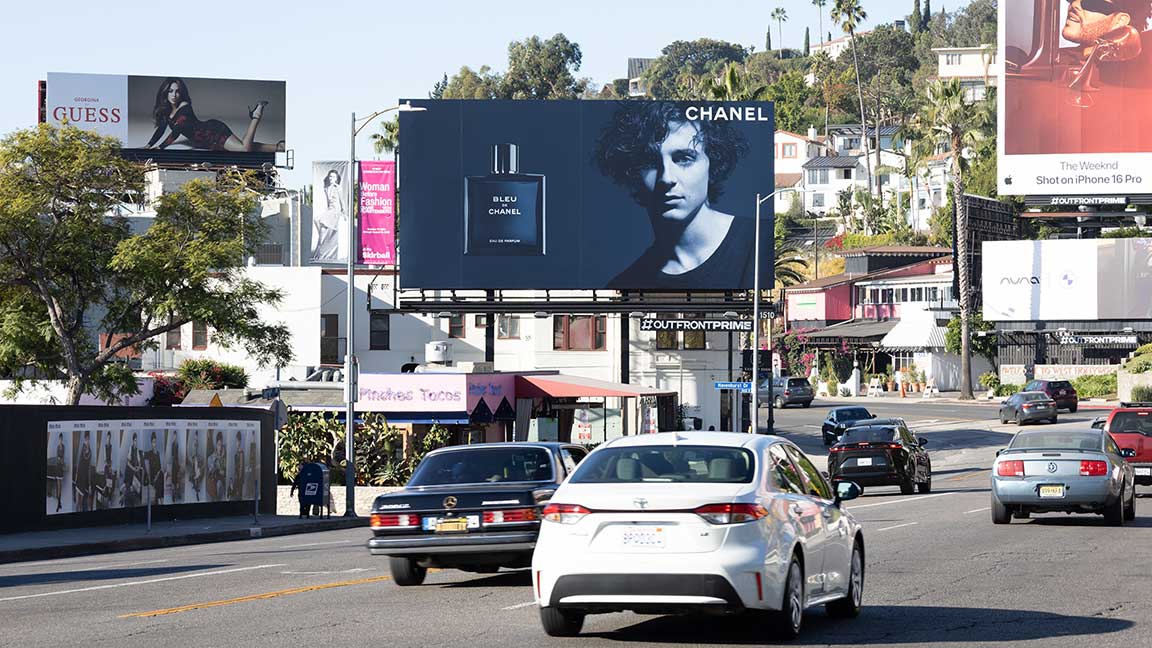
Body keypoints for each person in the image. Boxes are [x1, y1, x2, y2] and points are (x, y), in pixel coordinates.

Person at [595, 102, 752, 289]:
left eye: (684, 158)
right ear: (633, 173)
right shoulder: (626, 284)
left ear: (713, 164)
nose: (666, 178)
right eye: (650, 162)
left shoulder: (760, 242)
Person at [144, 77, 284, 153]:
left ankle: (256, 116)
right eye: (170, 91)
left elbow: (177, 130)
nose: (174, 95)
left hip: (213, 132)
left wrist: (160, 147)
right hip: (206, 142)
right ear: (165, 92)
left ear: (181, 93)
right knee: (242, 146)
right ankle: (278, 147)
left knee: (243, 149)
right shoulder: (167, 111)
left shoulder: (184, 106)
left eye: (177, 91)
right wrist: (149, 145)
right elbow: (161, 128)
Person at [311, 169, 346, 262]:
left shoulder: (338, 188)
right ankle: (319, 254)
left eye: (333, 177)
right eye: (330, 176)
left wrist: (344, 212)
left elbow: (342, 200)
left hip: (335, 211)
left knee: (319, 222)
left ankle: (319, 254)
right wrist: (326, 212)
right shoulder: (326, 189)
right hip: (330, 210)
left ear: (336, 178)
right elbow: (327, 202)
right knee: (319, 225)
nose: (331, 178)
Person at [74, 430, 93, 512]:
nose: (87, 441)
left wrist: (89, 483)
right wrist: (76, 474)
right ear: (84, 440)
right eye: (86, 439)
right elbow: (79, 462)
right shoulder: (82, 448)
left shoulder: (90, 451)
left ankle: (80, 509)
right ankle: (77, 509)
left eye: (88, 439)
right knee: (78, 498)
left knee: (81, 499)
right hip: (79, 475)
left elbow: (89, 468)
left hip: (84, 477)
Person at [123, 433, 142, 507]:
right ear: (133, 441)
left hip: (134, 471)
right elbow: (128, 463)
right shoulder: (130, 448)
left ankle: (132, 503)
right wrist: (134, 468)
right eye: (135, 440)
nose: (135, 442)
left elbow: (139, 461)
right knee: (128, 489)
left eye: (136, 441)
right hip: (129, 470)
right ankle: (126, 503)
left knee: (134, 488)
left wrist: (139, 467)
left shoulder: (137, 450)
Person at [187, 429, 205, 502]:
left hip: (197, 464)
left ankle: (196, 490)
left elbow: (201, 456)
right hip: (193, 463)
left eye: (197, 439)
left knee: (197, 474)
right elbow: (190, 455)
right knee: (194, 475)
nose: (196, 440)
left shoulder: (199, 446)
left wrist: (198, 458)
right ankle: (195, 487)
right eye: (195, 438)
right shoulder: (192, 446)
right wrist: (193, 458)